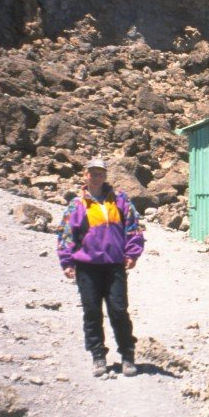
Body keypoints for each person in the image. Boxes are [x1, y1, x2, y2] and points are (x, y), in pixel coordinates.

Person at [57, 157, 144, 376]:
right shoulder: (76, 204)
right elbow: (66, 234)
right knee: (92, 312)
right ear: (85, 175)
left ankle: (127, 355)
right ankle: (98, 356)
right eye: (93, 173)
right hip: (87, 267)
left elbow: (132, 226)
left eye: (100, 173)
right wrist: (67, 261)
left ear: (105, 176)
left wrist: (132, 253)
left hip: (114, 265)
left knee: (119, 310)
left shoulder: (120, 200)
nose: (96, 177)